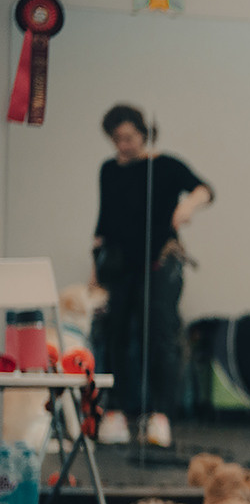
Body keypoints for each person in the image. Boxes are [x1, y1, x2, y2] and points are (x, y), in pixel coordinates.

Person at [91, 103, 213, 448]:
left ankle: (160, 416)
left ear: (144, 134)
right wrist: (94, 272)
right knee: (116, 334)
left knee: (159, 334)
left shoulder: (166, 166)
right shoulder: (109, 171)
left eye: (129, 137)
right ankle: (118, 412)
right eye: (117, 139)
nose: (124, 145)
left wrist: (187, 206)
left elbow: (205, 190)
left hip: (160, 263)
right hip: (119, 265)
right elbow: (103, 224)